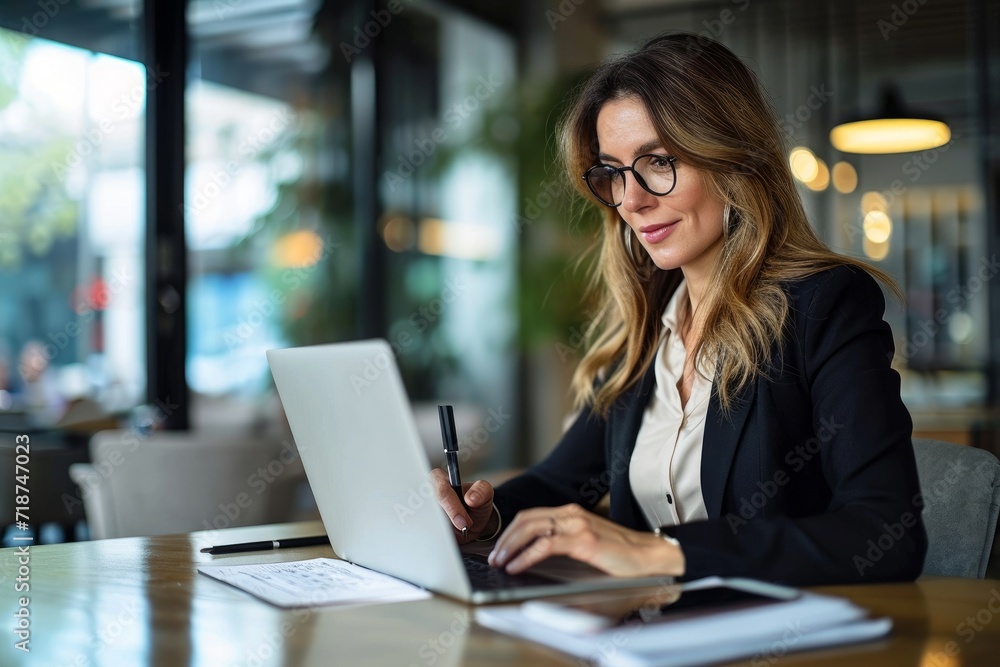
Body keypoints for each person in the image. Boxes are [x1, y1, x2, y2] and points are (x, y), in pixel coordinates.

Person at [431, 32, 926, 586]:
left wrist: (662, 554)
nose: (632, 200)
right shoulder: (644, 335)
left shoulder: (825, 306)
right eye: (613, 172)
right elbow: (556, 484)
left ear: (733, 160)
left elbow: (887, 534)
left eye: (659, 162)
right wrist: (483, 515)